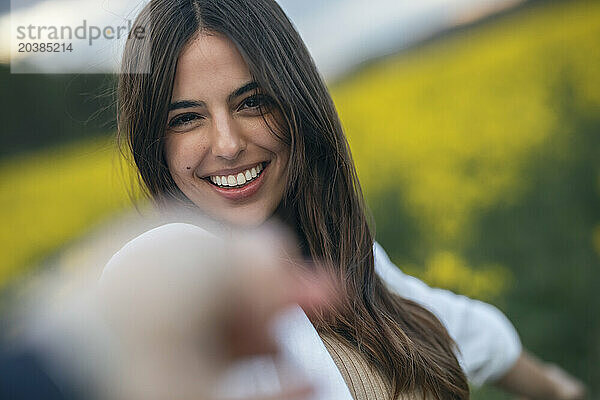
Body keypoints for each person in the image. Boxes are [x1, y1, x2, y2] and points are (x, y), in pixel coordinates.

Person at [113, 0, 586, 399]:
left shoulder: (350, 263)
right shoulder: (184, 284)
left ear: (297, 103)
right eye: (186, 118)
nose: (227, 144)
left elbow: (474, 334)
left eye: (252, 101)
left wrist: (562, 390)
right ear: (155, 143)